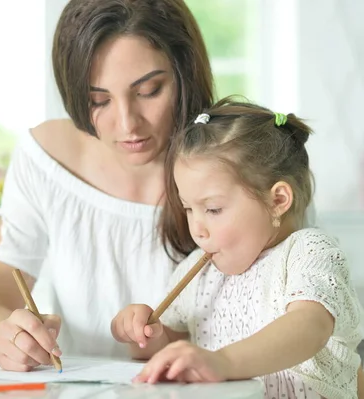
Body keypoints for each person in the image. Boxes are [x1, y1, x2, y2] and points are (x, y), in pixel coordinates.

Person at [0, 0, 214, 371]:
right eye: (98, 100)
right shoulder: (46, 158)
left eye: (149, 90)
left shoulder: (234, 159)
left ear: (185, 73)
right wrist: (5, 339)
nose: (127, 124)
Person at [111, 98, 363, 398]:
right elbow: (167, 348)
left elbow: (309, 327)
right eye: (189, 209)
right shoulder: (199, 271)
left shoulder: (309, 252)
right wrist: (144, 334)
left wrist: (223, 362)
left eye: (214, 209)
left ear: (277, 200)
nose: (197, 228)